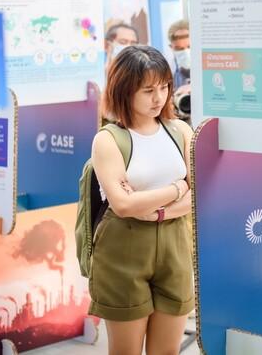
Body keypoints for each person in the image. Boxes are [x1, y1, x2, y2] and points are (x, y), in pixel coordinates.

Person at [89, 45, 194, 355]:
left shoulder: (180, 130)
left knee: (167, 352)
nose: (158, 97)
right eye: (148, 90)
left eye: (164, 87)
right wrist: (178, 188)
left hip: (175, 243)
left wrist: (156, 209)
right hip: (123, 249)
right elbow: (122, 205)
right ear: (125, 90)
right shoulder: (109, 139)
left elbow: (199, 195)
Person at [166, 19, 191, 121]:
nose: (185, 52)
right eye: (179, 48)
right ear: (171, 47)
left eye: (189, 46)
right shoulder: (166, 70)